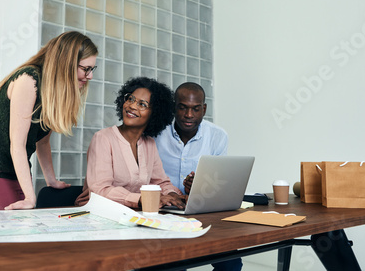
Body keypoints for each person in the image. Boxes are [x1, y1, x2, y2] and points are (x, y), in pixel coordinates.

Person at [0, 31, 98, 210]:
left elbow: (42, 142)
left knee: (19, 230)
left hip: (11, 171)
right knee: (5, 232)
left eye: (92, 69)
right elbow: (17, 145)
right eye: (85, 68)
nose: (90, 76)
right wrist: (29, 197)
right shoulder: (29, 79)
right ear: (66, 62)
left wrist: (51, 181)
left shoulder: (52, 90)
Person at [155, 82, 242, 271]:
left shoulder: (218, 136)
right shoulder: (156, 133)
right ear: (174, 107)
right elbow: (146, 177)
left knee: (231, 263)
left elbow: (219, 185)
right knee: (174, 264)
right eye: (183, 107)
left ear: (204, 109)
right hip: (162, 215)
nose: (189, 115)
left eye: (196, 109)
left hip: (201, 215)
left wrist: (202, 186)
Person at [75, 77, 185, 210]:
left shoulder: (149, 144)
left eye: (142, 104)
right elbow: (100, 190)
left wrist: (174, 196)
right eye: (130, 99)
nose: (132, 106)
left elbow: (160, 182)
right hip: (98, 214)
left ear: (155, 113)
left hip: (133, 215)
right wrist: (142, 199)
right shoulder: (103, 138)